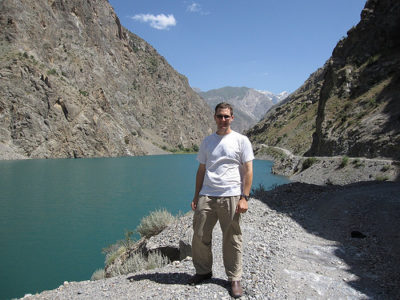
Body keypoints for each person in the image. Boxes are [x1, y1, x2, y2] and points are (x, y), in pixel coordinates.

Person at [189, 102, 254, 298]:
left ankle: (234, 278)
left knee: (232, 238)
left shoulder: (241, 141)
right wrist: (196, 195)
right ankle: (203, 271)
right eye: (220, 116)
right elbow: (201, 170)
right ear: (215, 118)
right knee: (199, 235)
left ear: (232, 118)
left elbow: (249, 170)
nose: (223, 120)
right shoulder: (207, 142)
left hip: (232, 195)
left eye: (226, 116)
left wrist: (244, 197)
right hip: (207, 195)